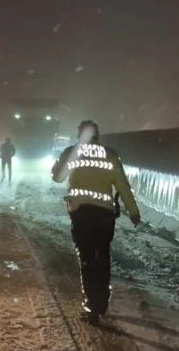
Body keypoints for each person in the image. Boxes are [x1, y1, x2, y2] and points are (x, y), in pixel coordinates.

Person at [51, 120, 141, 322]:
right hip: (105, 216)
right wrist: (134, 212)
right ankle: (101, 302)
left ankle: (92, 306)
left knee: (87, 259)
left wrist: (58, 165)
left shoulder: (71, 153)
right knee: (103, 258)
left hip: (81, 214)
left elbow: (57, 177)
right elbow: (123, 187)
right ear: (98, 135)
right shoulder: (110, 154)